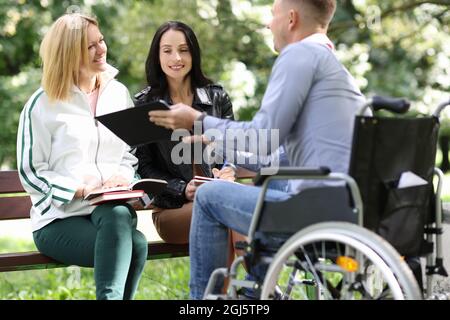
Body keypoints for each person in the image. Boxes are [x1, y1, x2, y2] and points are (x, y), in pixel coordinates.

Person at [148, 0, 367, 299]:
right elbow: (278, 157)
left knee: (210, 196)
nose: (268, 23)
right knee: (263, 188)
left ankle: (203, 302)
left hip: (314, 211)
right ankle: (255, 293)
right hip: (345, 204)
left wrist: (198, 120)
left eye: (272, 14)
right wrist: (217, 141)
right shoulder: (333, 67)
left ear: (291, 19)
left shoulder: (300, 55)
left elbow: (263, 137)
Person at [16, 13, 148, 300]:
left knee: (120, 218)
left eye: (100, 41)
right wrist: (82, 190)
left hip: (110, 212)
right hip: (58, 219)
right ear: (68, 53)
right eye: (90, 46)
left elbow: (129, 154)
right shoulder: (41, 104)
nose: (101, 49)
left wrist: (121, 178)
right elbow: (31, 172)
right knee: (135, 244)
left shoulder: (118, 93)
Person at [134, 21, 237, 245]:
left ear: (194, 54)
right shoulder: (145, 105)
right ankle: (253, 279)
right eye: (167, 51)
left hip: (218, 199)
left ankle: (224, 282)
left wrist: (227, 170)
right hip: (173, 210)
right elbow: (144, 167)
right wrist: (182, 189)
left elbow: (233, 148)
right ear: (157, 56)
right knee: (225, 214)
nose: (176, 58)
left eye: (183, 50)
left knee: (226, 213)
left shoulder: (217, 98)